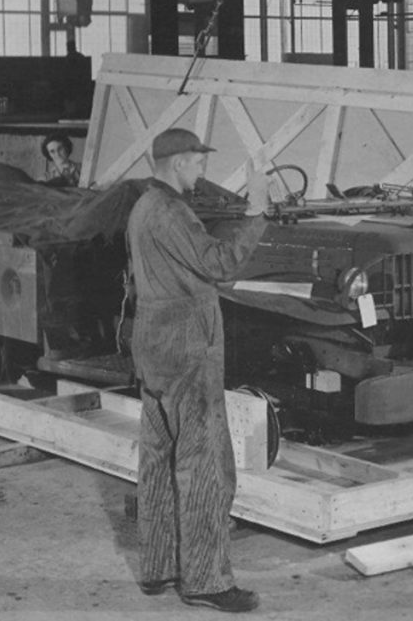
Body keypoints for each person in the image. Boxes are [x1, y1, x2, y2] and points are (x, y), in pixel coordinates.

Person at [127, 128, 271, 613]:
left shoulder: (143, 207)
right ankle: (207, 581)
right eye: (197, 162)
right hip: (188, 346)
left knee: (158, 459)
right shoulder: (170, 212)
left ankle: (159, 567)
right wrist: (256, 214)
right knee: (205, 464)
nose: (202, 171)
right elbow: (221, 263)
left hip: (153, 344)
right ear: (176, 164)